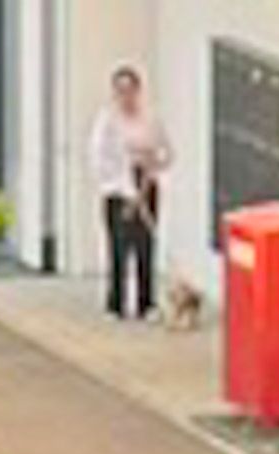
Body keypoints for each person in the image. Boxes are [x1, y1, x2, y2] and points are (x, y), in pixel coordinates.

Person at [87, 65, 173, 322]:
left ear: (138, 90)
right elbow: (100, 159)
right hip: (118, 190)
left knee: (146, 243)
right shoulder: (107, 122)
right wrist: (126, 191)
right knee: (119, 246)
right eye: (120, 91)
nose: (126, 96)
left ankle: (146, 303)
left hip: (146, 183)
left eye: (130, 90)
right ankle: (115, 304)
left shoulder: (151, 118)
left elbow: (166, 152)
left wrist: (152, 165)